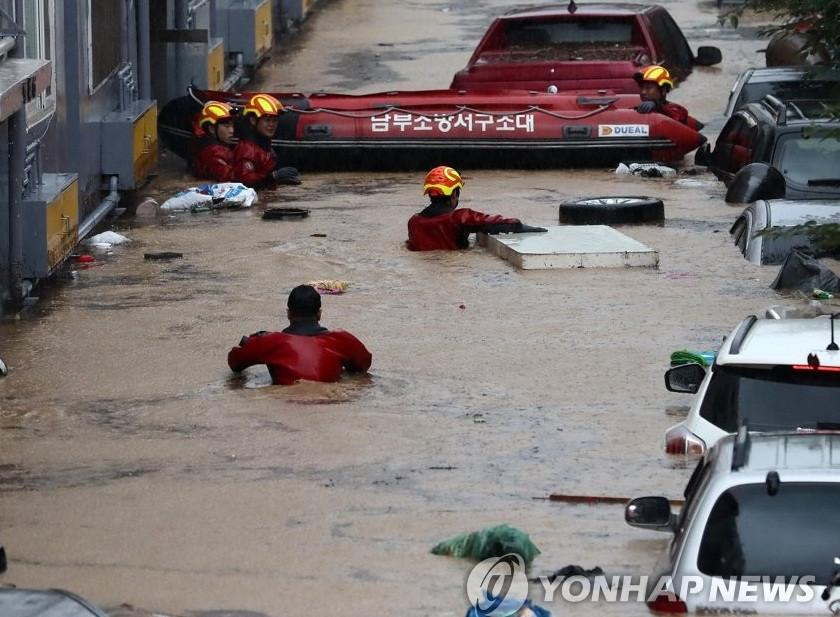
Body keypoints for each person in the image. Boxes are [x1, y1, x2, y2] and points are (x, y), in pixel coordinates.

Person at [227, 285, 372, 385]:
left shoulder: (270, 342)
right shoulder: (341, 340)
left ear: (289, 314)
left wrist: (255, 341)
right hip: (329, 404)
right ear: (319, 314)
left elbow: (234, 363)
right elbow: (364, 365)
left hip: (286, 406)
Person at [406, 166, 547, 251]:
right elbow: (498, 223)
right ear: (454, 194)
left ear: (430, 193)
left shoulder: (413, 221)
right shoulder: (459, 217)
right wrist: (527, 227)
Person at [233, 93, 301, 189]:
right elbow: (245, 180)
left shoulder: (262, 144)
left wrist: (277, 180)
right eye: (267, 120)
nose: (272, 125)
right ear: (253, 120)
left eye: (275, 120)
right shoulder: (246, 149)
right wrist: (273, 176)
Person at [633, 65, 704, 130]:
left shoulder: (676, 110)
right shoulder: (639, 110)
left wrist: (657, 106)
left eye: (648, 88)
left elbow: (678, 117)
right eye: (641, 88)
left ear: (663, 91)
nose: (643, 92)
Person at [192, 101, 238, 182]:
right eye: (226, 126)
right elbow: (227, 176)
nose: (232, 131)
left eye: (232, 126)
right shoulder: (213, 152)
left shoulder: (211, 145)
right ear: (212, 129)